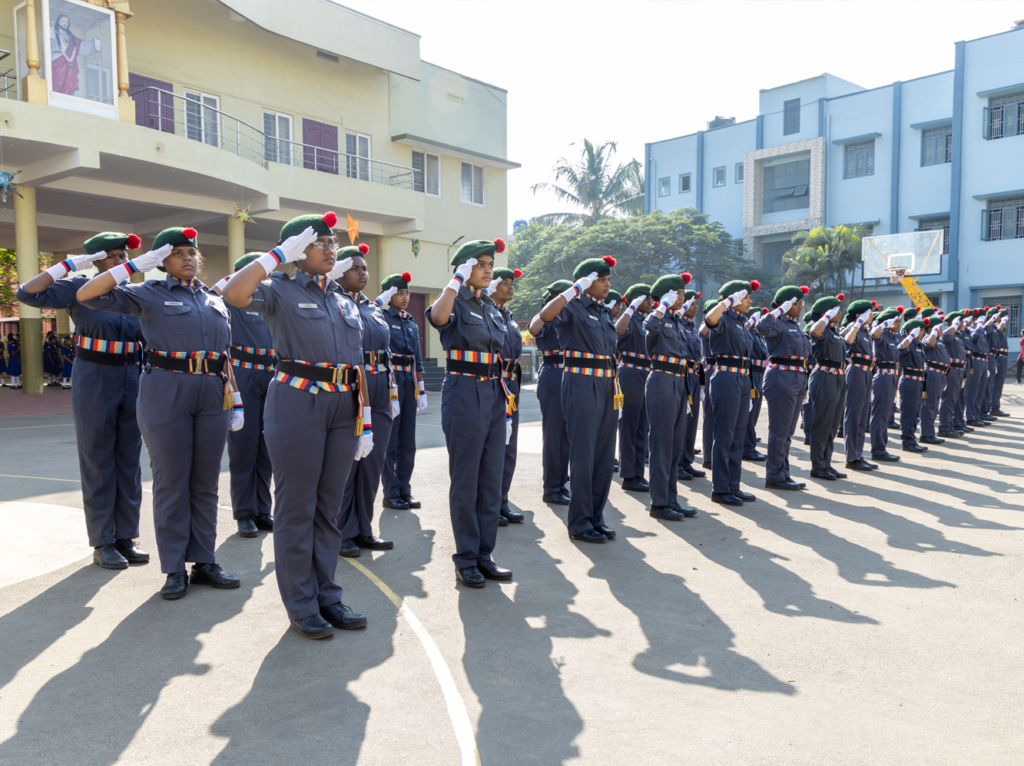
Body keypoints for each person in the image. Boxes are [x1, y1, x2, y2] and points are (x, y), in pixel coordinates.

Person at [222, 211, 368, 639]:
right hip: (298, 402)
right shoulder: (279, 290)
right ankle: (301, 603)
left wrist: (367, 419)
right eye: (318, 242)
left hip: (344, 408)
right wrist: (277, 255)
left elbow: (356, 362)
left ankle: (328, 595)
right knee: (296, 505)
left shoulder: (342, 299)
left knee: (328, 507)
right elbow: (234, 293)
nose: (329, 248)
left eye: (332, 243)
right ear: (295, 251)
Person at [78, 226, 242, 600]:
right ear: (163, 262)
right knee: (171, 482)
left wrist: (236, 399)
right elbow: (87, 294)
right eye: (177, 253)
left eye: (191, 253)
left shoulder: (214, 299)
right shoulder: (147, 293)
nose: (187, 258)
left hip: (212, 393)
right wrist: (136, 264)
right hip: (166, 390)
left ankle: (204, 560)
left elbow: (224, 354)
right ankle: (173, 568)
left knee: (205, 482)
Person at [17, 232, 149, 570]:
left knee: (129, 460)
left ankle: (126, 536)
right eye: (115, 256)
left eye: (125, 257)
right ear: (96, 260)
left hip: (133, 375)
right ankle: (103, 540)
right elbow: (27, 293)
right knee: (98, 458)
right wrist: (70, 264)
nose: (123, 262)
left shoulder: (134, 291)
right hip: (96, 377)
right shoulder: (78, 287)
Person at [426, 238, 515, 586]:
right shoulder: (455, 300)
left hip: (494, 392)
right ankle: (465, 558)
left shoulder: (490, 307)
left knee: (490, 479)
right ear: (464, 268)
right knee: (466, 479)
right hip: (464, 391)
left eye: (490, 266)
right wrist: (456, 281)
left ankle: (484, 554)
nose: (488, 270)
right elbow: (438, 317)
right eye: (481, 265)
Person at [539, 255, 621, 542]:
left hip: (608, 383)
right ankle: (580, 522)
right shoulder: (571, 306)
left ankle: (596, 517)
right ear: (587, 282)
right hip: (581, 383)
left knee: (603, 455)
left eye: (608, 279)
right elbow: (546, 317)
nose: (607, 285)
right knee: (583, 455)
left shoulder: (604, 311)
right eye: (602, 279)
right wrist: (574, 289)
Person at [336, 243, 400, 558]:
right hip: (352, 387)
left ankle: (364, 528)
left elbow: (386, 354)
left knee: (372, 464)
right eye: (356, 268)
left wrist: (393, 395)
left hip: (379, 388)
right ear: (338, 272)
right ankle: (342, 531)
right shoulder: (332, 303)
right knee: (348, 464)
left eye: (364, 268)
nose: (363, 273)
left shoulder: (374, 308)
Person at [215, 253, 276, 539]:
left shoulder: (268, 300)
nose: (263, 280)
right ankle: (245, 513)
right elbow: (212, 291)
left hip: (272, 373)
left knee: (267, 447)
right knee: (243, 446)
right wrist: (240, 276)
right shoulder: (233, 298)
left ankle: (263, 509)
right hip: (243, 374)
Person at [643, 273, 698, 520]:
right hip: (662, 381)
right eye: (679, 294)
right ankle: (659, 503)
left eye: (683, 295)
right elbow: (649, 327)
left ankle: (672, 499)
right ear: (666, 295)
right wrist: (662, 306)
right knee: (661, 444)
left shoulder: (676, 322)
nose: (682, 299)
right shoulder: (658, 318)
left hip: (678, 381)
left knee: (675, 445)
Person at [703, 279, 760, 505]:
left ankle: (733, 486)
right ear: (735, 299)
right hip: (726, 377)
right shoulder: (723, 318)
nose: (750, 301)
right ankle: (720, 488)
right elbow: (709, 319)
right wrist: (728, 301)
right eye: (746, 297)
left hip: (743, 378)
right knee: (725, 434)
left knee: (738, 434)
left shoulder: (740, 322)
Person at [381, 271, 427, 511]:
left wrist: (421, 387)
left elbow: (417, 359)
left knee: (408, 440)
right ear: (388, 295)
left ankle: (404, 489)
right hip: (391, 379)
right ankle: (390, 492)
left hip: (409, 380)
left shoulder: (410, 321)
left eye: (407, 293)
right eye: (399, 293)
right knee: (391, 439)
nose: (405, 297)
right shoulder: (381, 317)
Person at [757, 285, 811, 490]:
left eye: (800, 303)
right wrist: (780, 309)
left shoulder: (795, 325)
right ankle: (775, 475)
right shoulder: (776, 322)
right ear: (786, 304)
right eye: (797, 303)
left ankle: (783, 473)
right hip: (781, 377)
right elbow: (761, 327)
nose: (800, 307)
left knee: (788, 430)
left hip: (797, 378)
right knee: (779, 430)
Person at [528, 281, 572, 505]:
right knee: (553, 434)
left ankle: (561, 481)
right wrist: (548, 306)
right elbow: (533, 330)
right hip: (553, 373)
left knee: (565, 435)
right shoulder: (546, 316)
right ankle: (551, 487)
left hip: (569, 374)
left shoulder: (567, 316)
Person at [489, 267, 526, 526]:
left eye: (512, 283)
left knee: (509, 448)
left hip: (512, 385)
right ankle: (490, 505)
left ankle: (502, 501)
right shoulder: (488, 313)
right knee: (494, 448)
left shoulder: (510, 317)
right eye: (505, 283)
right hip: (495, 383)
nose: (511, 287)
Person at [806, 294, 853, 480]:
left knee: (833, 425)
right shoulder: (820, 327)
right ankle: (818, 466)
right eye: (835, 310)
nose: (839, 312)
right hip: (825, 377)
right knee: (823, 423)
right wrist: (826, 316)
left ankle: (826, 463)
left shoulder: (834, 330)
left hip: (838, 377)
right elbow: (815, 333)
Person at [614, 283, 653, 493]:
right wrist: (631, 308)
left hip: (645, 372)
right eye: (646, 299)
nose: (651, 303)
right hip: (629, 372)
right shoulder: (628, 319)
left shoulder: (646, 321)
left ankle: (638, 472)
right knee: (629, 424)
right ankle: (629, 475)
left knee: (642, 425)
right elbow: (618, 331)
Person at [840, 299, 879, 471]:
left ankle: (859, 454)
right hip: (855, 370)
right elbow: (848, 341)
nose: (871, 316)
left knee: (863, 415)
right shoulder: (853, 328)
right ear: (859, 315)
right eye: (868, 313)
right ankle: (851, 457)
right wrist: (857, 323)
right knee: (854, 415)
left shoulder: (865, 331)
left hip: (866, 372)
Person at [677, 287, 705, 482]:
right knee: (681, 422)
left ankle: (687, 462)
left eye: (696, 304)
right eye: (691, 304)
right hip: (682, 376)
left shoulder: (692, 327)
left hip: (694, 376)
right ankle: (677, 464)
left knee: (692, 421)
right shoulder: (677, 323)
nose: (695, 307)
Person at [868, 306, 903, 462]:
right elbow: (874, 334)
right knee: (880, 414)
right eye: (897, 321)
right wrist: (883, 324)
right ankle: (878, 450)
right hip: (882, 376)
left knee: (886, 413)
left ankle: (882, 447)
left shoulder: (893, 336)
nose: (899, 324)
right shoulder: (881, 333)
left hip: (892, 376)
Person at [898, 317, 933, 452]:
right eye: (920, 329)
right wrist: (911, 335)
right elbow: (901, 347)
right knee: (908, 412)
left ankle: (911, 439)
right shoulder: (908, 343)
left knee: (915, 413)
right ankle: (907, 442)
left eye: (923, 329)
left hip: (917, 382)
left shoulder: (918, 345)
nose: (923, 332)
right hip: (909, 381)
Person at [50, 13, 102, 97]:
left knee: (70, 87)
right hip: (56, 65)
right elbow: (46, 40)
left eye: (67, 22)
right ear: (58, 22)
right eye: (63, 21)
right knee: (56, 86)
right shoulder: (54, 34)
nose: (65, 23)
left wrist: (96, 40)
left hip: (70, 68)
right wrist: (50, 27)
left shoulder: (73, 39)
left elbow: (85, 46)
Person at [919, 308, 951, 445]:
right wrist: (933, 331)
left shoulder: (939, 340)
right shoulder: (928, 338)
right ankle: (926, 434)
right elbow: (929, 343)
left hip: (941, 375)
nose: (942, 330)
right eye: (939, 327)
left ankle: (930, 432)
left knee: (934, 405)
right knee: (929, 405)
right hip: (932, 374)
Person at [742, 308, 769, 462]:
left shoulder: (757, 334)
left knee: (755, 412)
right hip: (751, 372)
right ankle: (747, 447)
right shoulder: (748, 332)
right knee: (749, 413)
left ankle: (750, 445)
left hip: (759, 373)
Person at [938, 311, 968, 438]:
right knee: (948, 399)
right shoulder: (948, 333)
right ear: (951, 323)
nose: (961, 323)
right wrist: (954, 325)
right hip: (952, 370)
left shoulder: (957, 335)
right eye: (959, 321)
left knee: (954, 399)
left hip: (959, 370)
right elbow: (944, 336)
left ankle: (949, 425)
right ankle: (944, 428)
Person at [966, 307, 992, 427]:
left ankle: (977, 416)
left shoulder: (982, 330)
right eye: (982, 318)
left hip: (983, 361)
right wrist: (979, 325)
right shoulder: (972, 329)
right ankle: (970, 417)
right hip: (975, 360)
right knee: (973, 390)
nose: (984, 320)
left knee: (980, 391)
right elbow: (973, 338)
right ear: (976, 319)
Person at [989, 308, 1010, 416]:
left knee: (999, 383)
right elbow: (999, 329)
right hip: (999, 357)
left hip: (1003, 357)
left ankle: (994, 406)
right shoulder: (996, 327)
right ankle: (994, 407)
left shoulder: (1001, 328)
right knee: (996, 383)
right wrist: (1003, 321)